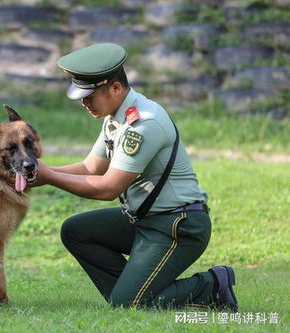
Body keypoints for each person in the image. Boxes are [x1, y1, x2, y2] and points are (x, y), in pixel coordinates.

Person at [32, 43, 238, 310]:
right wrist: (39, 171)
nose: (84, 103)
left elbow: (107, 188)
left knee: (128, 305)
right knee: (76, 231)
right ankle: (132, 292)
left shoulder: (144, 123)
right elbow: (91, 167)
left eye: (90, 96)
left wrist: (49, 177)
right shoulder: (115, 118)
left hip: (179, 225)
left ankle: (211, 285)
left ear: (115, 88)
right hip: (147, 221)